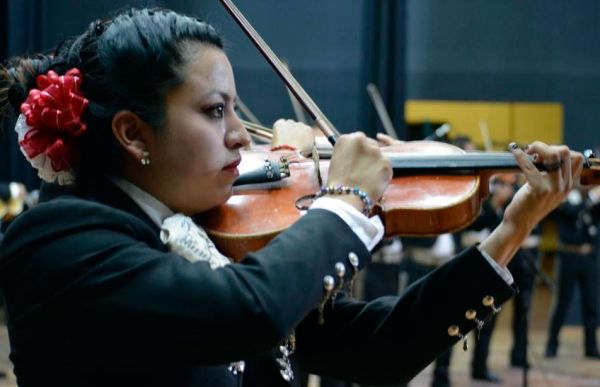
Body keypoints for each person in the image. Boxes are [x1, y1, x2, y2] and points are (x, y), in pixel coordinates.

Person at [0, 7, 582, 387]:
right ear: (132, 132)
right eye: (214, 111)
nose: (239, 133)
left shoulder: (209, 235)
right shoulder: (59, 241)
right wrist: (346, 198)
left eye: (234, 108)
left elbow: (377, 350)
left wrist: (513, 227)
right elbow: (245, 311)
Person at [545, 184, 600, 359]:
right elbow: (571, 212)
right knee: (562, 302)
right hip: (569, 255)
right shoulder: (567, 196)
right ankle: (552, 345)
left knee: (591, 303)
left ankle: (591, 347)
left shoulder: (592, 201)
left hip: (589, 256)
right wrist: (591, 198)